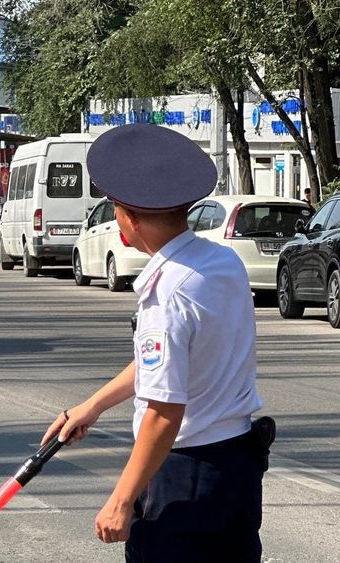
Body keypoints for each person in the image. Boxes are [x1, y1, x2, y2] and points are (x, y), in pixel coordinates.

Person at [42, 124, 270, 562]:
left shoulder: (166, 292)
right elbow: (170, 362)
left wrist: (122, 499)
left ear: (127, 217)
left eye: (115, 209)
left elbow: (165, 409)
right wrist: (93, 405)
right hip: (236, 467)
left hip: (185, 477)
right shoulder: (219, 261)